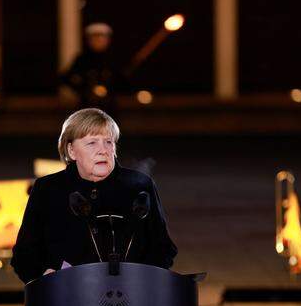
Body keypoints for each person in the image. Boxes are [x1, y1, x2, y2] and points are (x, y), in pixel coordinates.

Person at [11, 108, 177, 283]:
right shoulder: (48, 189)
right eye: (92, 143)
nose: (103, 150)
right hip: (67, 297)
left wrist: (144, 278)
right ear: (71, 150)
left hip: (130, 296)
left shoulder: (139, 185)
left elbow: (163, 249)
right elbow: (24, 255)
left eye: (108, 142)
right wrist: (42, 276)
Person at [60, 23, 126, 115]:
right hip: (87, 105)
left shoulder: (114, 60)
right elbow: (65, 78)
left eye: (102, 38)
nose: (99, 41)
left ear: (108, 40)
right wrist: (83, 89)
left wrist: (111, 89)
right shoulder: (82, 59)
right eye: (95, 38)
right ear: (89, 41)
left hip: (110, 106)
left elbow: (123, 81)